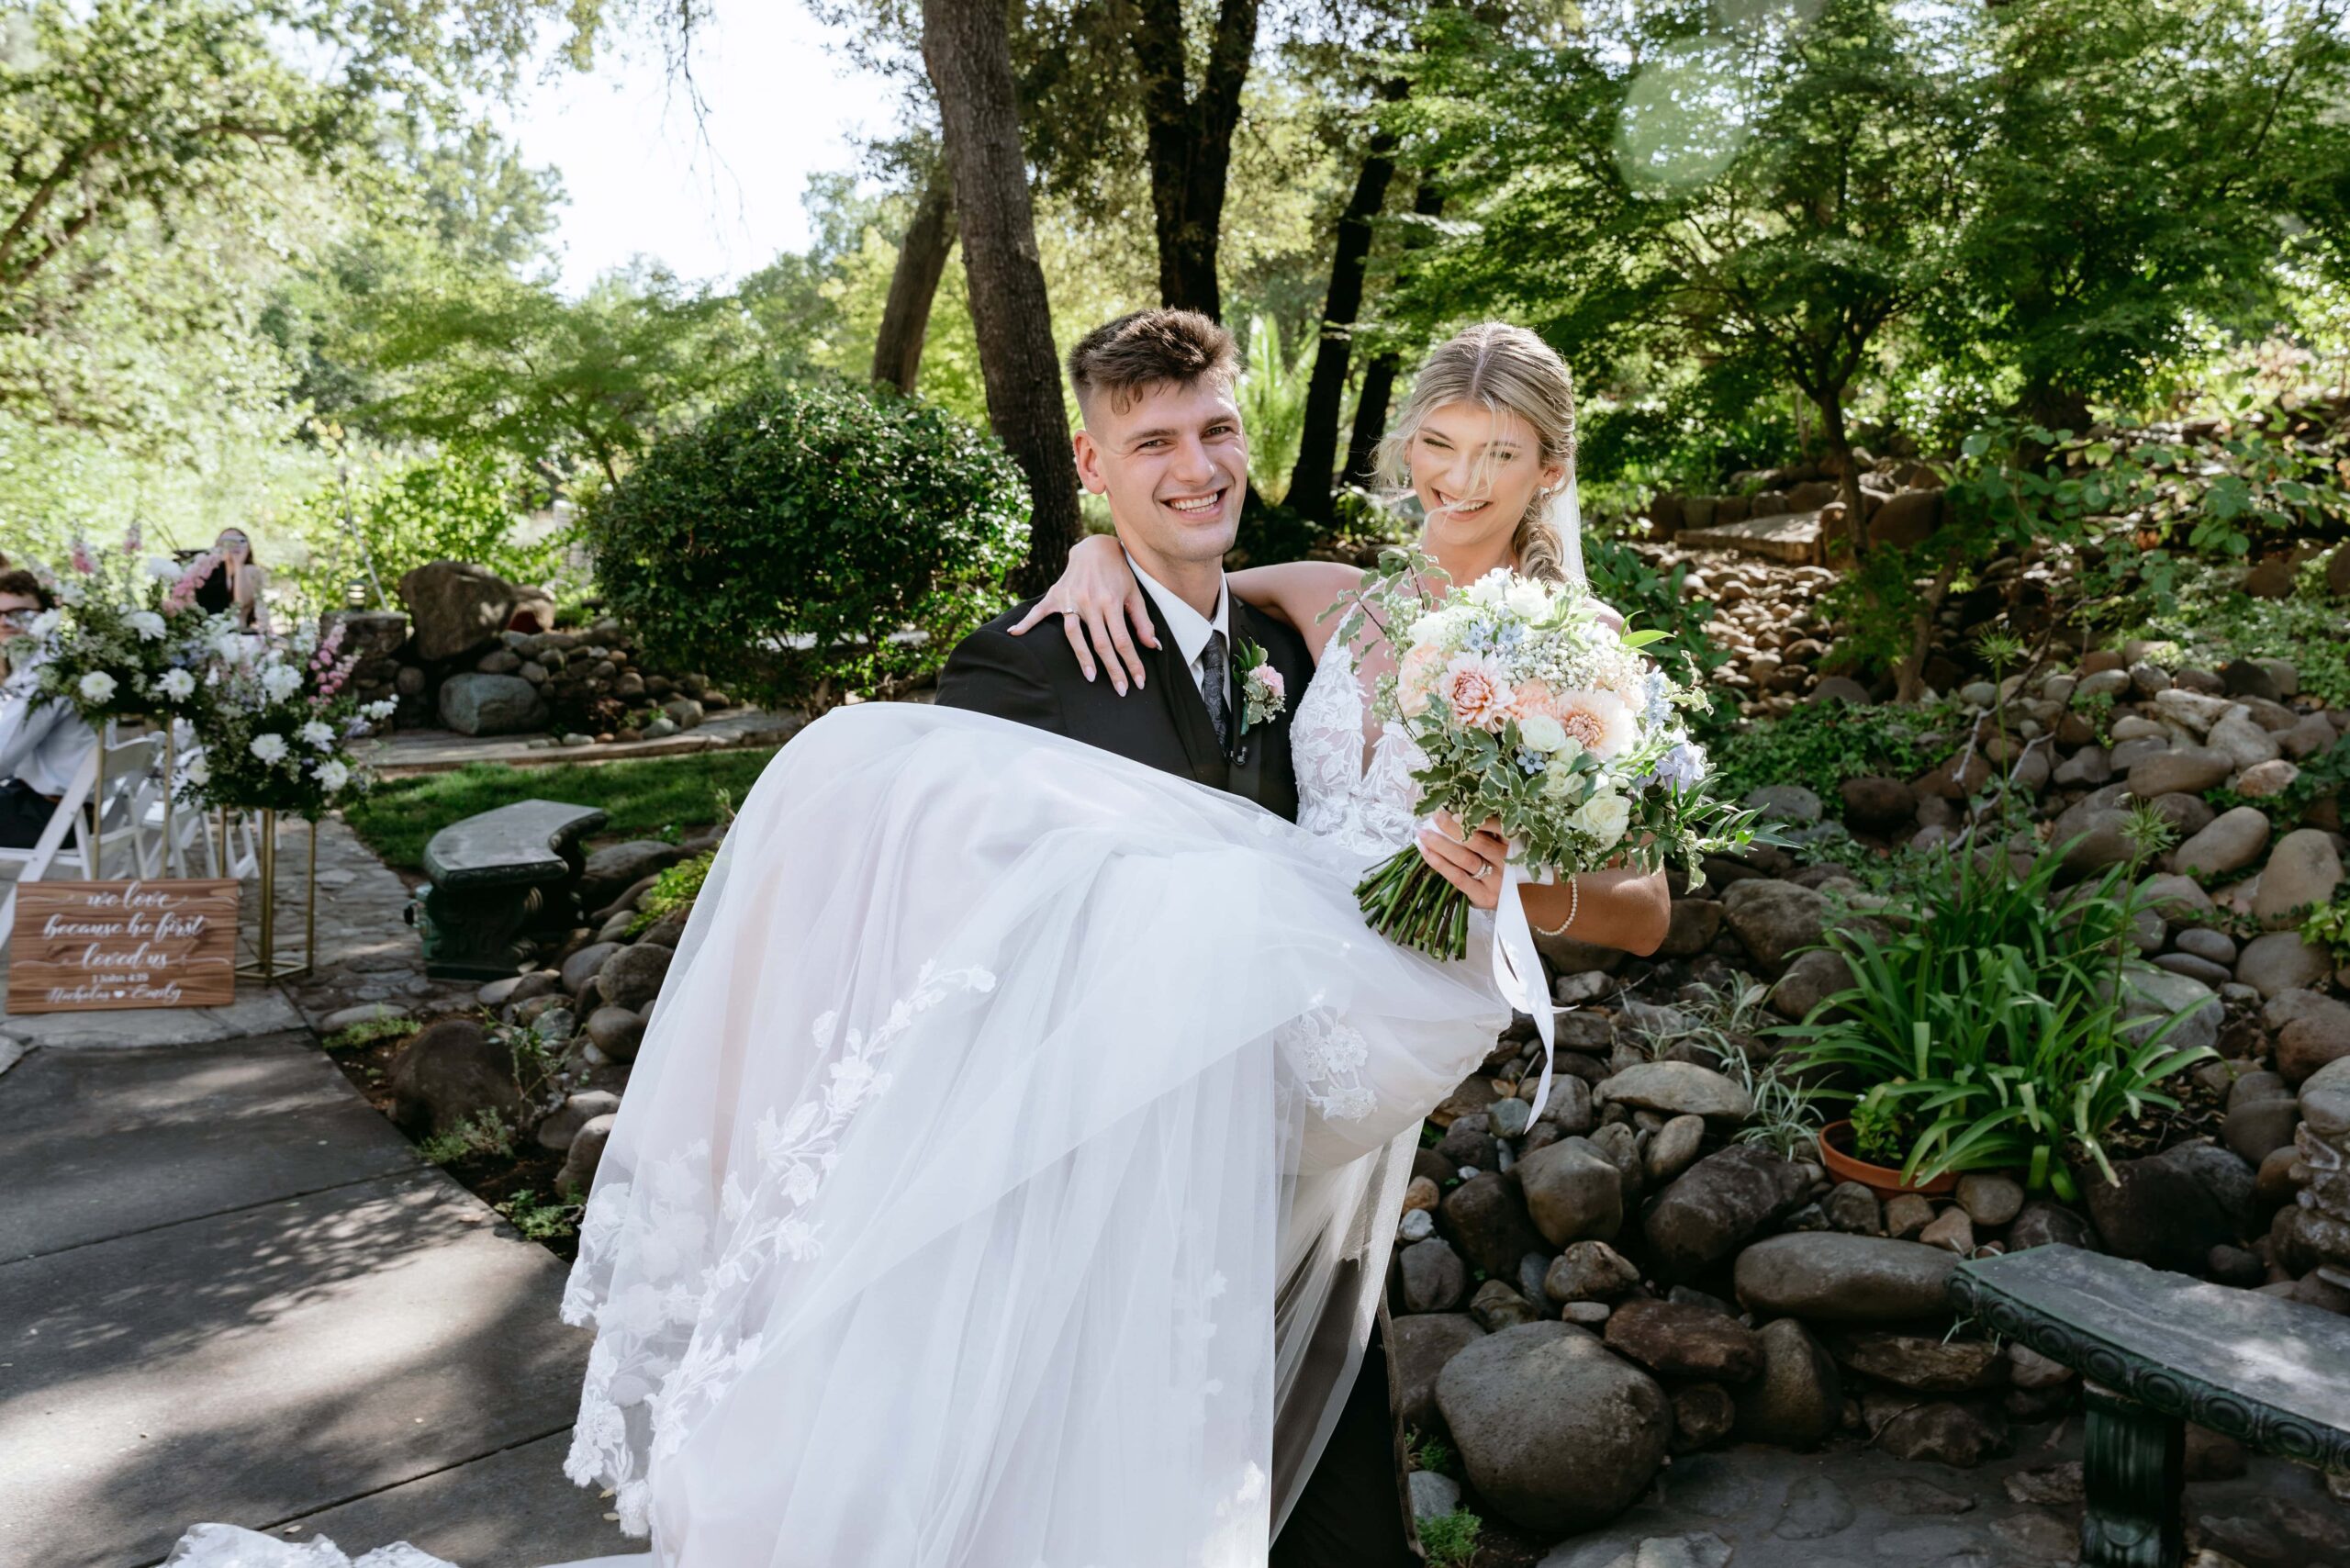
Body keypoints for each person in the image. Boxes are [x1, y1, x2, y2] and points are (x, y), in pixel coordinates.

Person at [162, 315, 1666, 1568]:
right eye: (1442, 445)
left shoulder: (1424, 648)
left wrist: (1503, 882)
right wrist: (1095, 556)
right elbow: (943, 902)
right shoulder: (1291, 615)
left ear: (1548, 469)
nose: (1462, 479)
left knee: (1307, 1479)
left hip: (1318, 1076)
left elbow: (1637, 900)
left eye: (1501, 455)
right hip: (1114, 1147)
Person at [0, 568, 96, 849]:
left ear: (46, 615)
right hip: (60, 809)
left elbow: (2, 756)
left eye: (20, 613)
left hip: (52, 818)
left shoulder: (49, 671)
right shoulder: (51, 659)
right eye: (0, 614)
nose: (5, 622)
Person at [188, 528, 272, 634]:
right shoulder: (210, 573)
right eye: (225, 541)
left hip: (238, 633)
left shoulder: (250, 571)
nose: (232, 546)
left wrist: (238, 564)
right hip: (208, 632)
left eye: (238, 541)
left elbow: (241, 604)